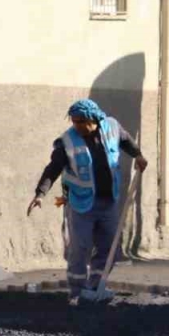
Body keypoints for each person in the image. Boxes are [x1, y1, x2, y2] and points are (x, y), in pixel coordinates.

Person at [27, 100, 148, 303]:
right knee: (80, 247)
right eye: (74, 121)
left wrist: (138, 155)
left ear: (94, 119)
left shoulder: (112, 127)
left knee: (108, 247)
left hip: (108, 201)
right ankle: (77, 290)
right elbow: (53, 168)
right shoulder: (67, 141)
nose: (77, 125)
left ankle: (96, 285)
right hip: (81, 204)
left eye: (81, 121)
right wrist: (40, 194)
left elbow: (126, 141)